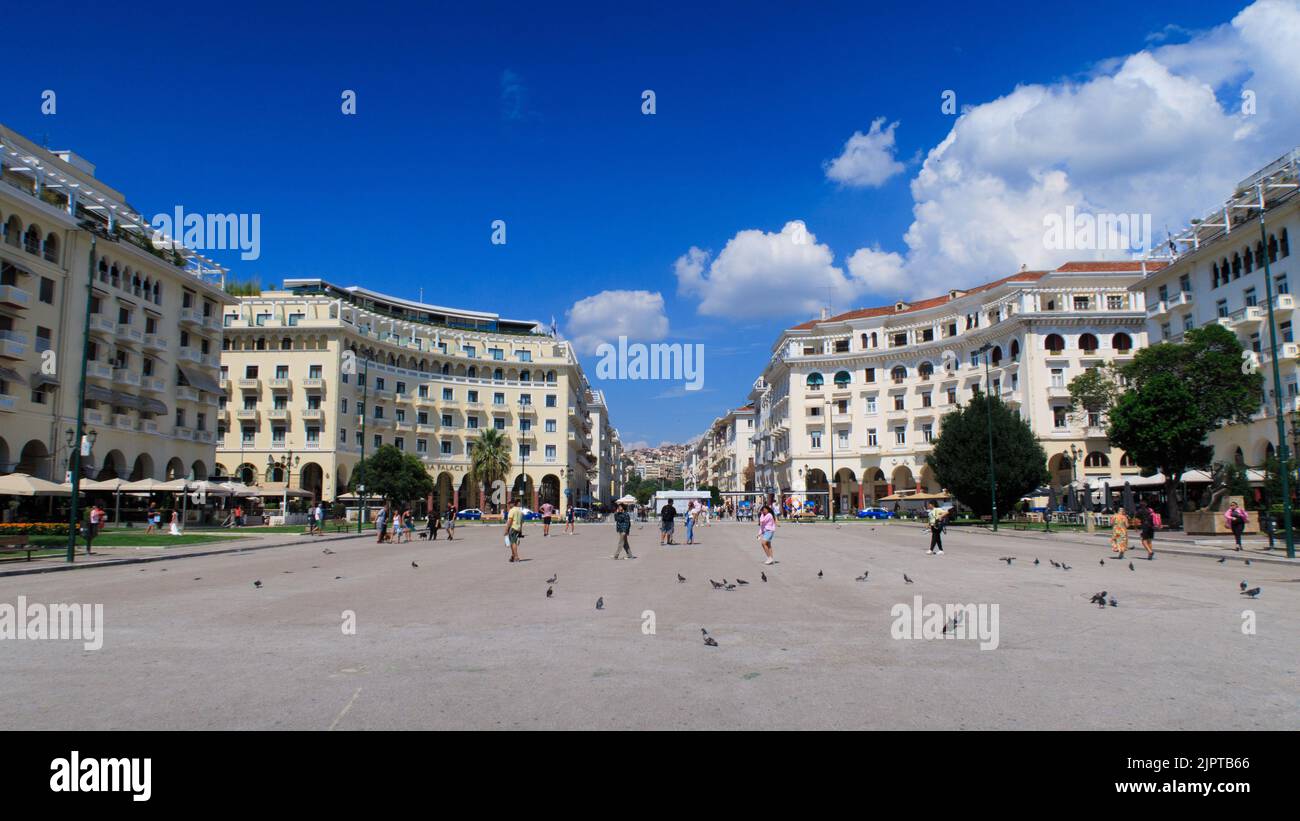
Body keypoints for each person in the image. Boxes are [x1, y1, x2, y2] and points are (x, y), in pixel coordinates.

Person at [504, 498, 525, 563]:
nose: (508, 505)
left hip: (513, 528)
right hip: (518, 528)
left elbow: (510, 521)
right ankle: (513, 556)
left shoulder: (512, 510)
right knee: (513, 542)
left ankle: (516, 557)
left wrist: (506, 530)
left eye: (509, 503)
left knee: (513, 543)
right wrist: (520, 530)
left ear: (513, 504)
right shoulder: (520, 511)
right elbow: (522, 522)